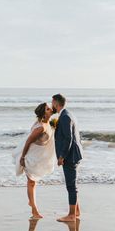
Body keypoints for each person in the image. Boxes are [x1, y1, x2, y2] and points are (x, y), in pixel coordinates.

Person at [13, 102, 56, 219]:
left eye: (50, 108)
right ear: (43, 113)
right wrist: (22, 158)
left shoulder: (49, 123)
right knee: (31, 182)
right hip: (30, 156)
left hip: (38, 157)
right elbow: (28, 141)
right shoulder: (40, 127)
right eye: (48, 109)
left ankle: (31, 202)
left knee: (33, 182)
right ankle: (34, 211)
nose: (50, 109)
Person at [51, 94, 83, 222]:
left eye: (52, 102)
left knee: (71, 186)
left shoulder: (65, 117)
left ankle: (71, 215)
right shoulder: (68, 114)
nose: (51, 105)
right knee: (72, 184)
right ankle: (76, 211)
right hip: (74, 154)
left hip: (70, 156)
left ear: (56, 103)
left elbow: (68, 138)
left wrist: (62, 156)